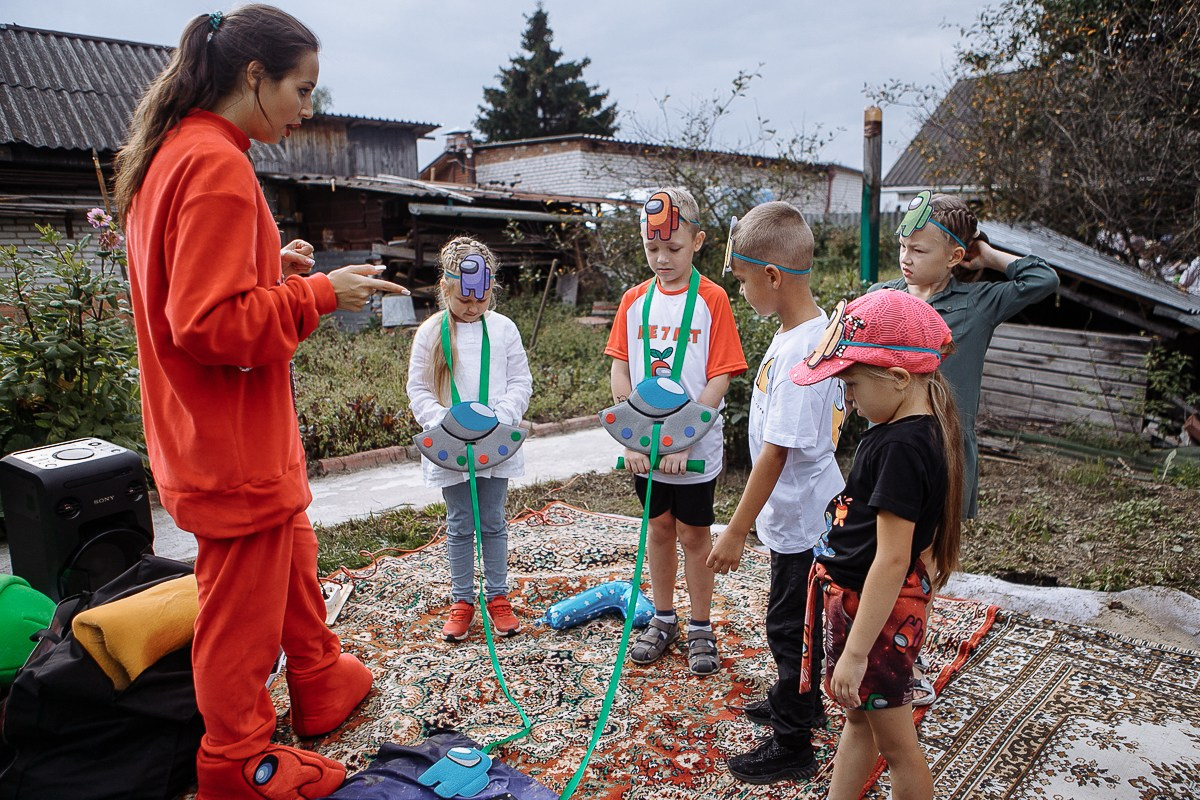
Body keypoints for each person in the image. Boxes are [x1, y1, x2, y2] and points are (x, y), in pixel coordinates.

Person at [115, 7, 406, 798]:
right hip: (229, 440)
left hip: (213, 432)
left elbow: (185, 282)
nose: (308, 109)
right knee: (236, 614)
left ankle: (317, 678)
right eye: (301, 90)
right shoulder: (217, 164)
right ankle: (237, 760)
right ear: (255, 77)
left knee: (293, 557)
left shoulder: (177, 153)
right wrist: (316, 294)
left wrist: (267, 265)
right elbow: (207, 323)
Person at [873, 191, 1058, 705]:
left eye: (921, 249)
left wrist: (988, 253)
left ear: (955, 256)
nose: (907, 258)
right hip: (889, 449)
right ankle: (873, 636)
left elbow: (1042, 279)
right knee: (884, 550)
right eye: (903, 246)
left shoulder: (979, 302)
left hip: (945, 453)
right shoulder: (885, 296)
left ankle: (909, 653)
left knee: (925, 559)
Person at [790, 289, 964, 800]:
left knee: (897, 746)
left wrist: (858, 653)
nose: (848, 400)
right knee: (861, 722)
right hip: (864, 606)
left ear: (898, 377)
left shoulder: (901, 447)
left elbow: (891, 558)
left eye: (851, 384)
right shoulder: (906, 431)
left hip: (874, 614)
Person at [705, 202, 846, 783]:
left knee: (791, 627)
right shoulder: (808, 334)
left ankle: (793, 743)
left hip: (803, 520)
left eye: (741, 281)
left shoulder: (796, 355)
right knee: (795, 618)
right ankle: (801, 700)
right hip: (804, 513)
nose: (740, 294)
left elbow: (776, 452)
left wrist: (736, 529)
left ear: (771, 275)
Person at [604, 187, 747, 676]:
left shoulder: (713, 299)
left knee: (694, 535)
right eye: (651, 249)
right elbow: (621, 372)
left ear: (698, 241)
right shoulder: (633, 301)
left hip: (693, 449)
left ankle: (701, 625)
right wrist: (635, 435)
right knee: (658, 530)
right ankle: (663, 619)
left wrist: (681, 437)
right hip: (646, 449)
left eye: (674, 249)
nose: (662, 259)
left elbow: (719, 376)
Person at [406, 237, 532, 642]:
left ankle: (497, 596)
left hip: (495, 441)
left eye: (480, 300)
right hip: (451, 445)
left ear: (490, 290)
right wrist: (446, 423)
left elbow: (519, 382)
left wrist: (502, 417)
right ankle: (463, 600)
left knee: (493, 521)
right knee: (460, 523)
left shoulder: (504, 329)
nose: (473, 307)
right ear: (445, 288)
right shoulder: (430, 333)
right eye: (463, 299)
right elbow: (419, 389)